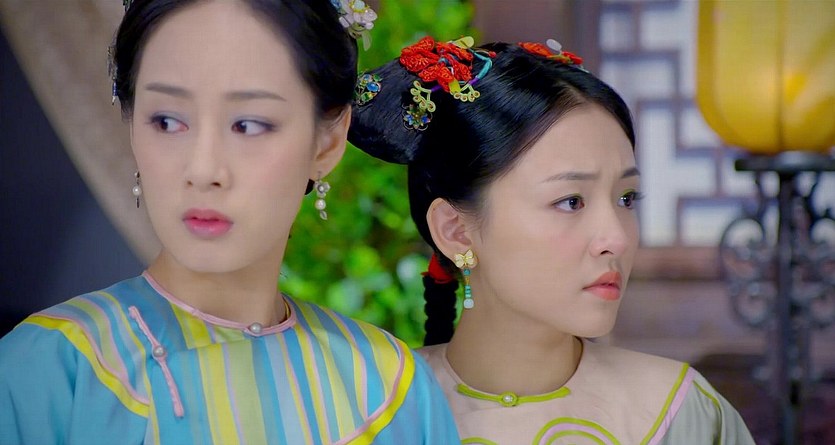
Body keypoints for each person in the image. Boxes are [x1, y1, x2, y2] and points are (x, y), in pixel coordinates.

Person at [0, 2, 460, 444]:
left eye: (248, 125)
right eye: (167, 121)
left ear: (327, 141)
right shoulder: (50, 371)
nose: (203, 170)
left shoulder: (388, 386)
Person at [348, 36, 755, 444]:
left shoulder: (681, 414)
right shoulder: (368, 418)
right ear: (455, 230)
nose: (616, 238)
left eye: (626, 198)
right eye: (571, 201)